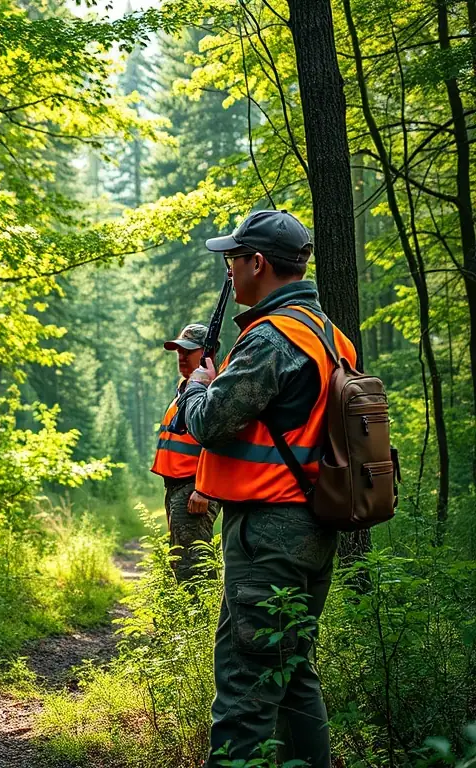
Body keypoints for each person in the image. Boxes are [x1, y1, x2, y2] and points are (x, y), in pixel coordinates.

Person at [178, 210, 357, 768]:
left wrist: (195, 384)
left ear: (258, 263)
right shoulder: (331, 336)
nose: (229, 271)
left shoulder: (272, 338)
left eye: (233, 259)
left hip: (269, 534)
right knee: (293, 673)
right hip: (311, 523)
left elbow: (207, 422)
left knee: (244, 688)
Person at [150, 323, 219, 582]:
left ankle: (202, 619)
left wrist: (204, 489)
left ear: (207, 353)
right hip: (178, 487)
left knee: (195, 568)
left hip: (194, 489)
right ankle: (188, 619)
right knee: (181, 561)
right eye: (178, 350)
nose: (181, 355)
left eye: (188, 351)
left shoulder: (213, 388)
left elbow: (219, 442)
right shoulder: (187, 386)